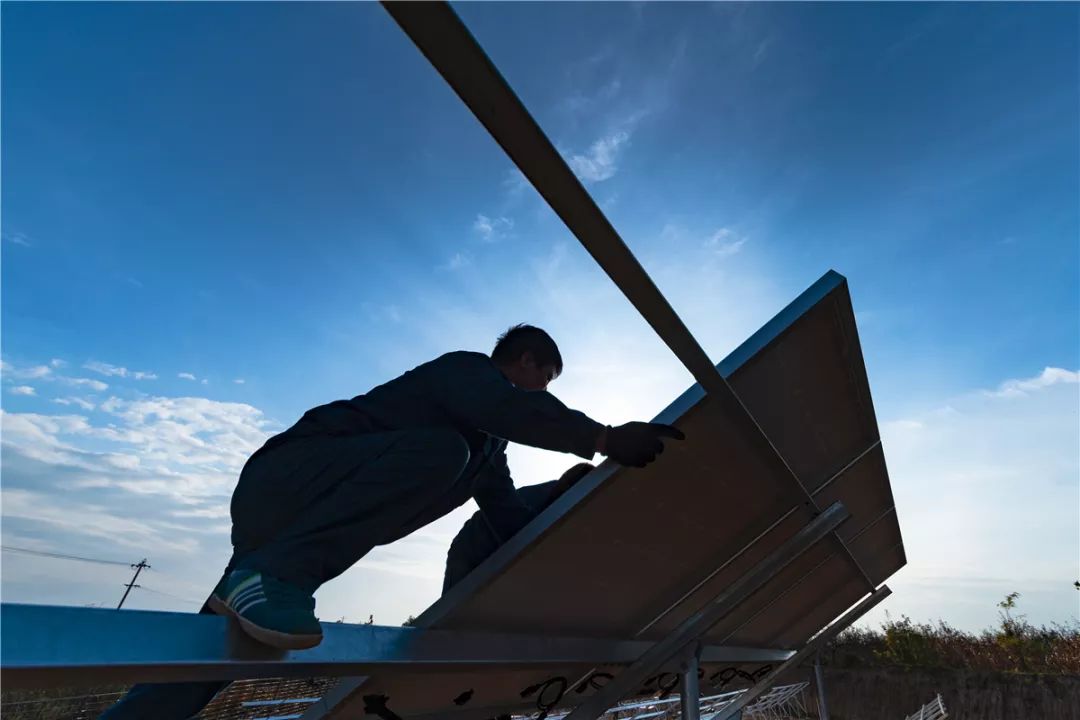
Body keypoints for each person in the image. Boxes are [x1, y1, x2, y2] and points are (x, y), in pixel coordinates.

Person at [100, 324, 682, 720]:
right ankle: (268, 576)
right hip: (292, 475)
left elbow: (505, 515)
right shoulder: (465, 373)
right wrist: (601, 438)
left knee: (222, 658)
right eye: (546, 379)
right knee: (440, 454)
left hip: (293, 530)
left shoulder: (485, 451)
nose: (544, 391)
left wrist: (569, 505)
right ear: (528, 360)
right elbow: (510, 408)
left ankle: (247, 595)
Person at [442, 461, 595, 594]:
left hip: (495, 556)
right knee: (447, 615)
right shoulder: (535, 502)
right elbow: (516, 534)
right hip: (469, 551)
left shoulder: (565, 508)